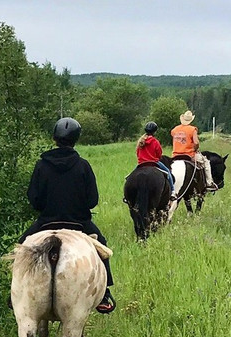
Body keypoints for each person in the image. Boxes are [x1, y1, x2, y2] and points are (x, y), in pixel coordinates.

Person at [21, 117, 116, 314]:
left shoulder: (41, 165)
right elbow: (92, 200)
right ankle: (104, 294)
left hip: (46, 222)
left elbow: (34, 199)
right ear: (76, 139)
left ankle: (17, 293)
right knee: (103, 248)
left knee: (21, 248)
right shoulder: (83, 166)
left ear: (54, 138)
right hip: (79, 223)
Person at [171, 110, 217, 191]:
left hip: (175, 155)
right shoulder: (192, 129)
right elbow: (196, 142)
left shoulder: (174, 129)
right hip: (189, 155)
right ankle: (209, 183)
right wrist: (195, 148)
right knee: (206, 162)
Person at [136, 121, 174, 193]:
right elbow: (159, 154)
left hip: (141, 163)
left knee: (130, 176)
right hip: (153, 162)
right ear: (154, 132)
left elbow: (138, 153)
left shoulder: (140, 141)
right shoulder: (155, 141)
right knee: (168, 172)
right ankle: (172, 191)